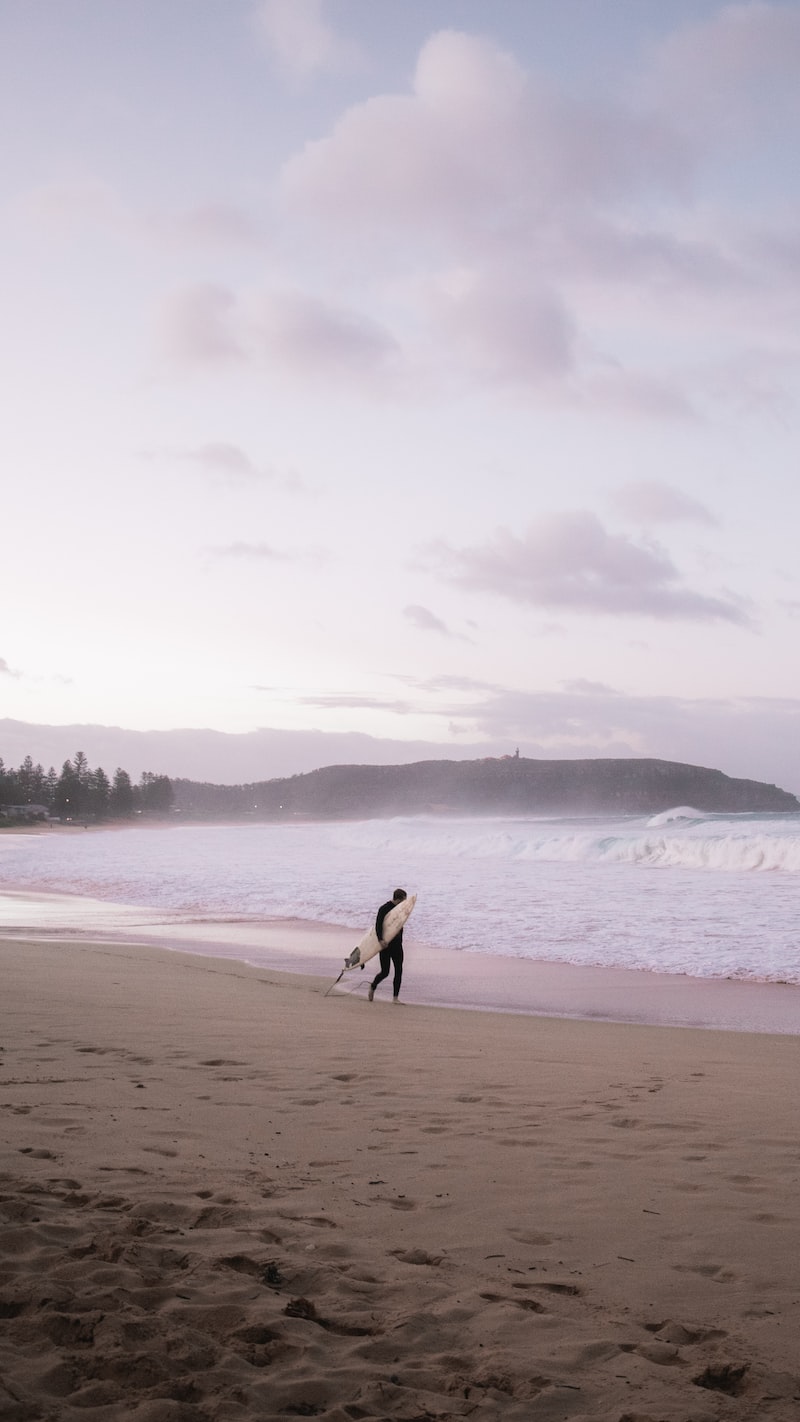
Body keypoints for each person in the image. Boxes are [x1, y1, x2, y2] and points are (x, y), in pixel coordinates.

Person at [368, 888, 407, 1003]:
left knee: (399, 970)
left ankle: (395, 998)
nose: (404, 903)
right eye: (403, 901)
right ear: (398, 899)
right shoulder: (384, 909)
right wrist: (380, 940)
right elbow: (378, 925)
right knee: (385, 972)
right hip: (385, 945)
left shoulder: (401, 910)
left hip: (397, 945)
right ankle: (373, 986)